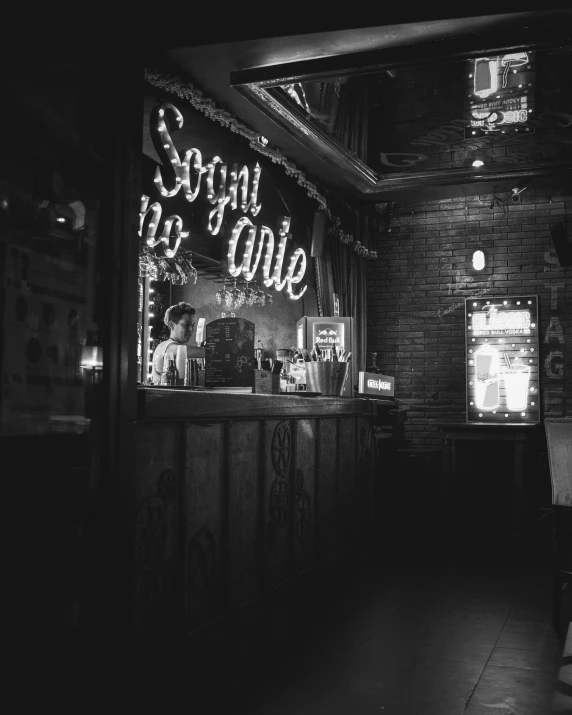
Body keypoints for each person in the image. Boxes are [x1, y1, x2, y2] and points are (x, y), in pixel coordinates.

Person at [151, 302, 204, 384]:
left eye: (192, 325)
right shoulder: (165, 346)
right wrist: (215, 351)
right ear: (171, 325)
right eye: (186, 325)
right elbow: (179, 350)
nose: (191, 329)